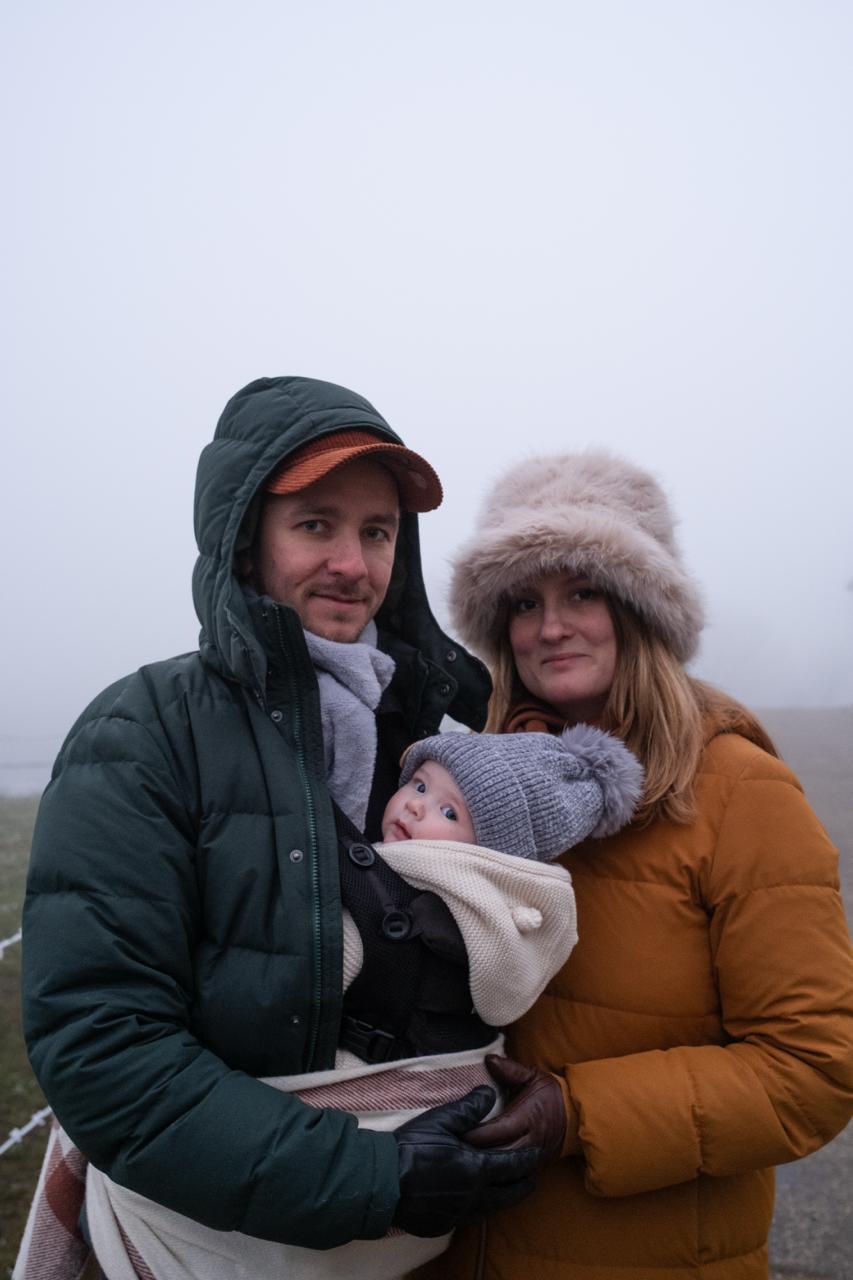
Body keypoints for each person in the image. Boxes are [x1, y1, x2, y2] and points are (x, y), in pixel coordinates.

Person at [17, 376, 541, 1280]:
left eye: (376, 532)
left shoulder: (427, 737)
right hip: (203, 1245)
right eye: (315, 524)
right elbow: (102, 1047)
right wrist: (372, 1175)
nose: (352, 562)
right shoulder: (143, 732)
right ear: (244, 541)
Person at [415, 449, 853, 1280]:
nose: (550, 627)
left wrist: (578, 1116)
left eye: (582, 590)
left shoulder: (741, 794)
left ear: (642, 606)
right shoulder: (469, 781)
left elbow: (812, 1071)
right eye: (524, 601)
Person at [71, 726, 643, 1280]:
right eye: (419, 784)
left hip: (366, 1122)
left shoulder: (407, 897)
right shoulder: (501, 924)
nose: (417, 808)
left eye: (450, 813)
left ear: (491, 852)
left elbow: (306, 972)